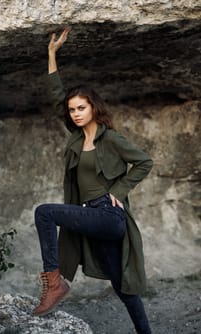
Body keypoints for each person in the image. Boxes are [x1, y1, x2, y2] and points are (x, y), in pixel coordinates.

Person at [33, 28, 153, 334]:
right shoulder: (76, 139)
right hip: (90, 215)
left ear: (94, 107)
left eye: (81, 108)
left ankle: (54, 281)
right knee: (122, 288)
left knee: (44, 212)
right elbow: (56, 95)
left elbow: (144, 161)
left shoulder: (111, 139)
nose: (75, 113)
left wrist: (119, 189)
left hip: (109, 214)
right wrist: (51, 55)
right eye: (72, 110)